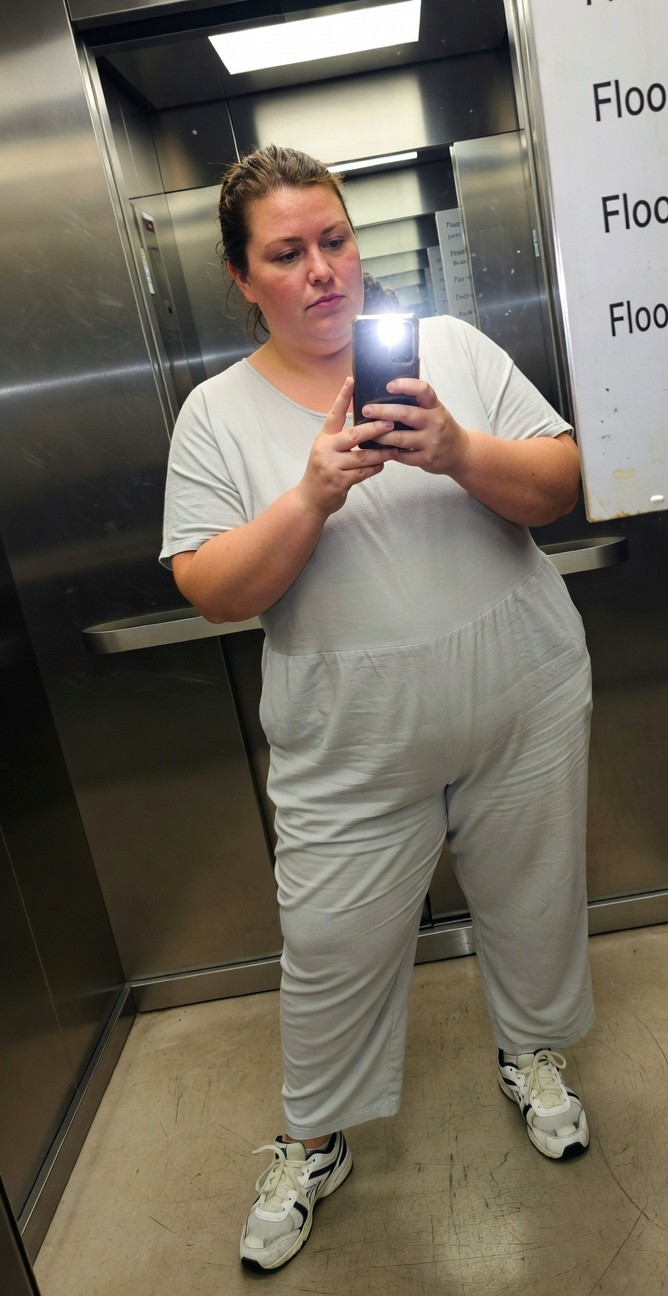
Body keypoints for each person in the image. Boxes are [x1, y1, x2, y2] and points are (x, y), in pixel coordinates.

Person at [160, 144, 593, 1273]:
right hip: (348, 751)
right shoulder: (215, 414)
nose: (321, 270)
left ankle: (531, 1051)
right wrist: (309, 493)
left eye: (335, 240)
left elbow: (560, 480)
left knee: (534, 898)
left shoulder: (446, 350)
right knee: (330, 944)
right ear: (242, 277)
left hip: (522, 699)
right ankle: (315, 1137)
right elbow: (211, 589)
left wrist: (455, 449)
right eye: (287, 253)